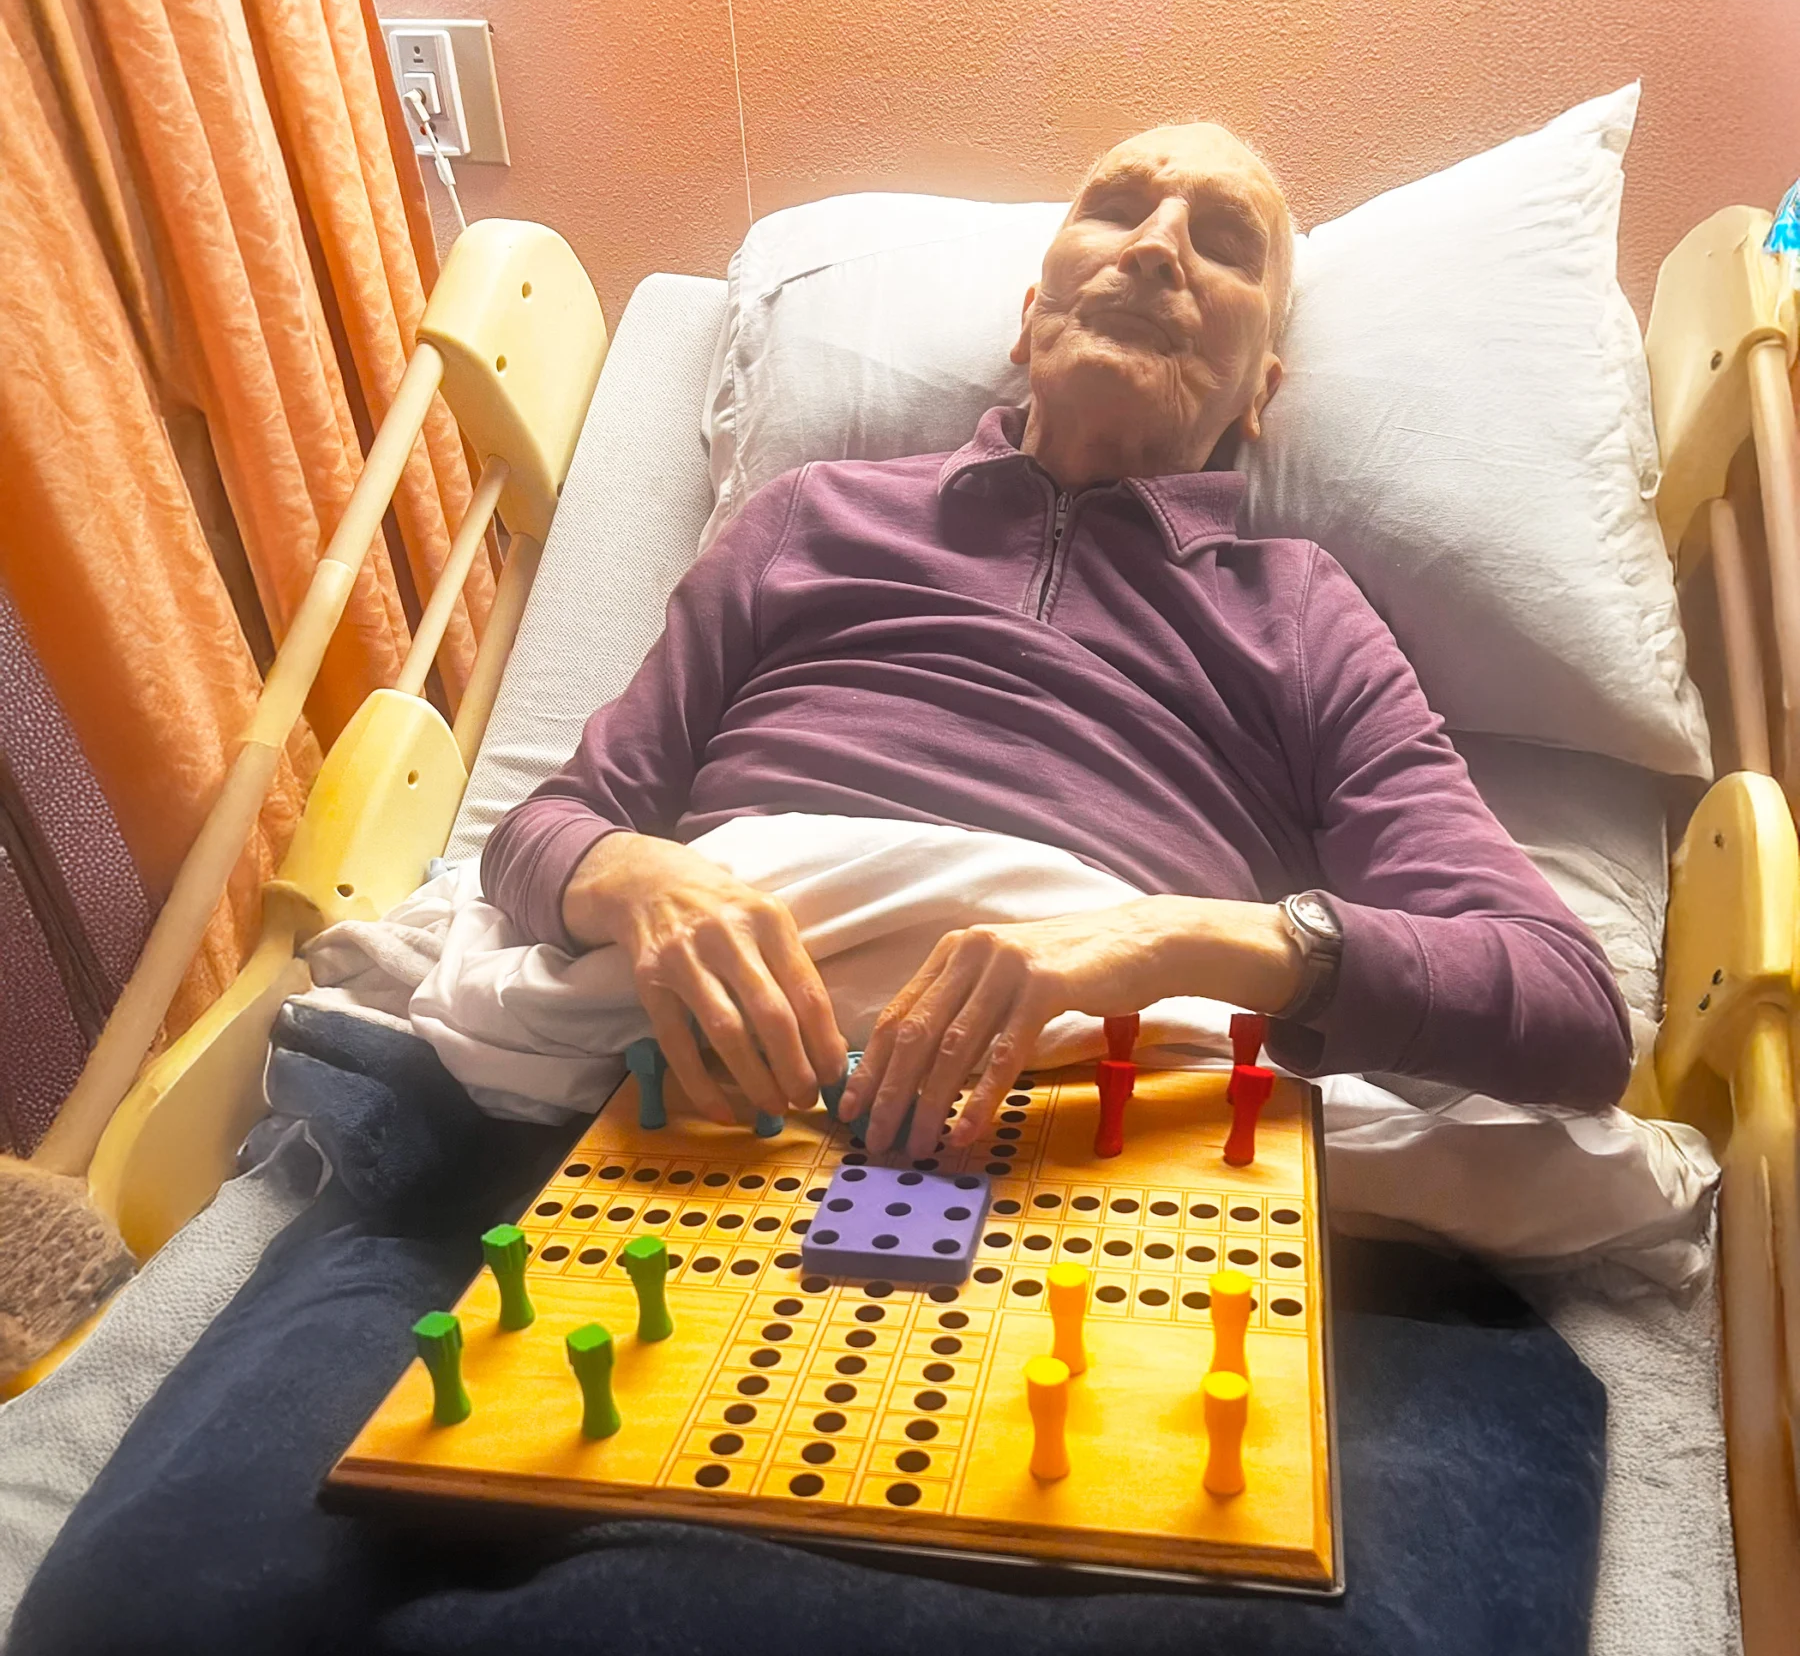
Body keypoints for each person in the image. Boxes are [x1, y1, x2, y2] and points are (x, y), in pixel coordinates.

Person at [482, 121, 1631, 1163]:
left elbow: (1568, 1005)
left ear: (1256, 396)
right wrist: (636, 880)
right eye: (1119, 208)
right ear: (1030, 321)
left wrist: (1163, 941)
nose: (1160, 246)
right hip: (676, 1096)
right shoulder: (806, 514)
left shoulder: (1302, 611)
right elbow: (540, 834)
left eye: (1224, 239)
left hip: (1094, 1147)